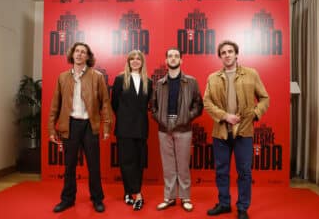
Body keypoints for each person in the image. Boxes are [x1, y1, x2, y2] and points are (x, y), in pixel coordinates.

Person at [203, 40, 269, 219]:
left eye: (230, 51)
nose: (227, 55)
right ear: (220, 57)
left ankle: (242, 208)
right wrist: (225, 116)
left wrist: (255, 114)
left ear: (236, 54)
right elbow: (206, 102)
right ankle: (224, 204)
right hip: (221, 133)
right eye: (223, 52)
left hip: (244, 132)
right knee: (221, 170)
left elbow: (264, 98)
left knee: (245, 172)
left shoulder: (251, 74)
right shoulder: (213, 77)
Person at [48, 42, 113, 213]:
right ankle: (67, 199)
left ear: (88, 57)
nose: (79, 54)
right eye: (77, 51)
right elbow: (55, 104)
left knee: (94, 165)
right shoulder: (62, 77)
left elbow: (105, 104)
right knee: (69, 166)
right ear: (72, 54)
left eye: (83, 52)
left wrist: (106, 127)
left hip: (89, 125)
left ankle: (97, 199)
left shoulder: (97, 76)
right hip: (69, 124)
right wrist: (51, 129)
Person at [152, 48, 203, 212]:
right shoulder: (159, 84)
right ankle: (169, 197)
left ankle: (185, 197)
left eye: (176, 56)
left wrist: (187, 117)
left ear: (181, 60)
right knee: (168, 166)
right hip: (163, 128)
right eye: (170, 56)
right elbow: (152, 106)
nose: (173, 59)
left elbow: (198, 104)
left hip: (184, 128)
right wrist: (160, 119)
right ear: (166, 61)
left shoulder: (191, 81)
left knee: (183, 165)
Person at [111, 50, 153, 211]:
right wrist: (124, 117)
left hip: (141, 128)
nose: (135, 61)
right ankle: (137, 194)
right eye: (132, 59)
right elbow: (114, 103)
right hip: (124, 128)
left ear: (142, 62)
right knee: (126, 161)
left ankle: (129, 192)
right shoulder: (120, 79)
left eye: (138, 59)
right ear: (128, 62)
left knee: (139, 162)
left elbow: (147, 104)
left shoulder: (148, 81)